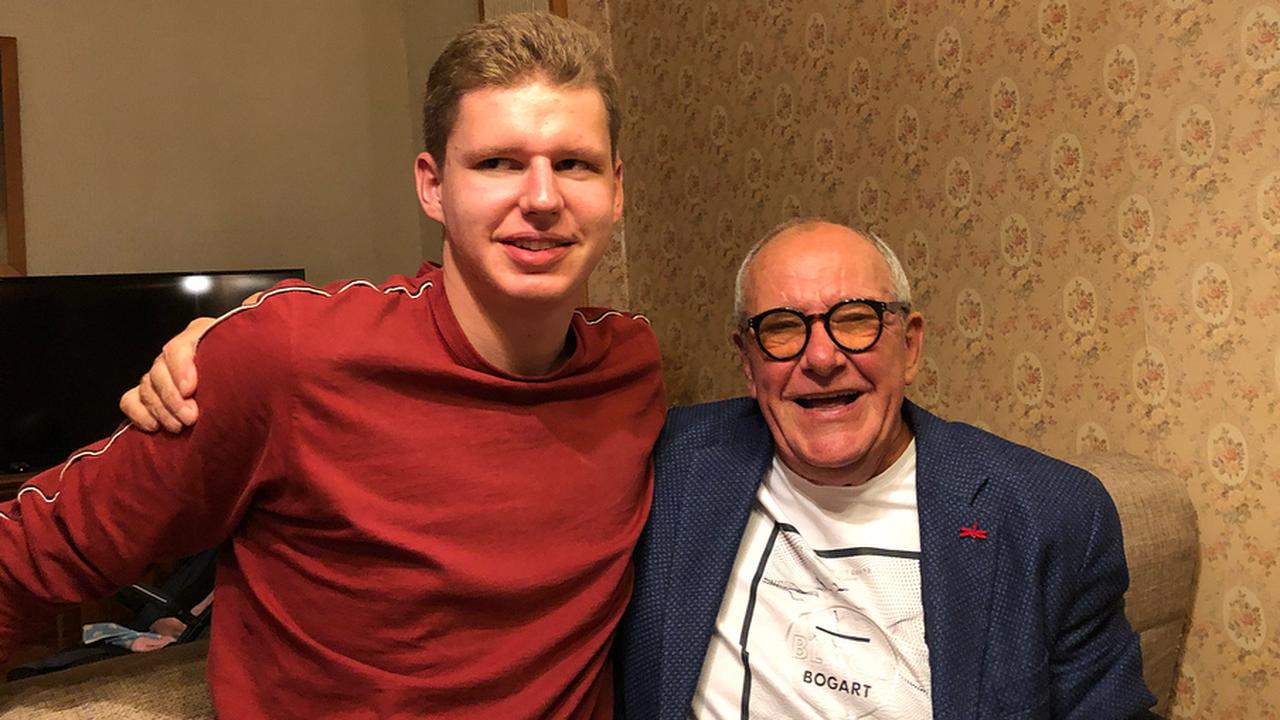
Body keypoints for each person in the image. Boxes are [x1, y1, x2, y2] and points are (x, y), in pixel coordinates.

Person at [0, 13, 666, 719]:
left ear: (616, 190)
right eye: (497, 162)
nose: (541, 198)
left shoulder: (631, 366)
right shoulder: (287, 358)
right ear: (433, 186)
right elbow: (29, 556)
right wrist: (230, 345)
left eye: (574, 164)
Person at [612, 219, 1161, 719]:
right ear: (748, 364)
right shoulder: (666, 462)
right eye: (782, 328)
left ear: (911, 345)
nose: (821, 358)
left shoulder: (1050, 514)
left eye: (856, 320)